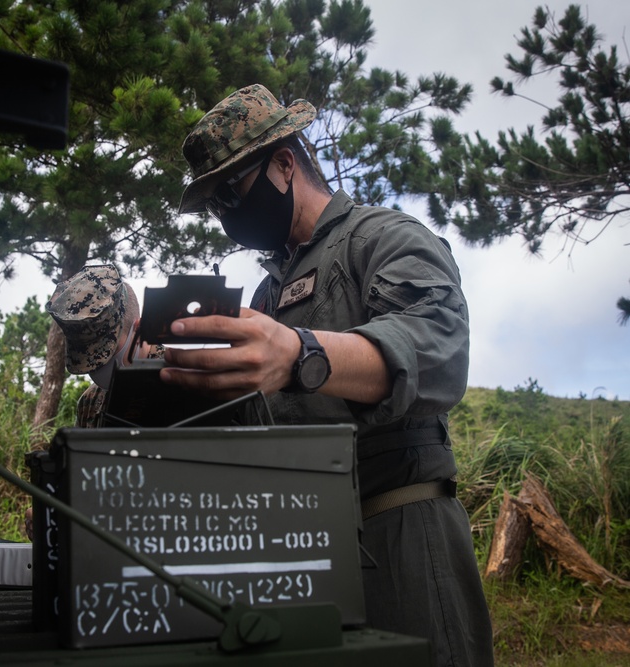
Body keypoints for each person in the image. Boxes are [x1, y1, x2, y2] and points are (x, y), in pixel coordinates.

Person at [160, 84, 494, 666]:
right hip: (305, 547)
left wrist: (300, 353)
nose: (225, 217)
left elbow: (439, 350)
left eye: (231, 194)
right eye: (214, 206)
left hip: (399, 532)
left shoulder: (382, 238)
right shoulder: (265, 296)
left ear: (285, 164)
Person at [24, 264, 162, 538]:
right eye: (89, 364)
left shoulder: (186, 382)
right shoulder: (91, 402)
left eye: (106, 357)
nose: (98, 372)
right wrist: (54, 507)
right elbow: (86, 485)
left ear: (140, 330)